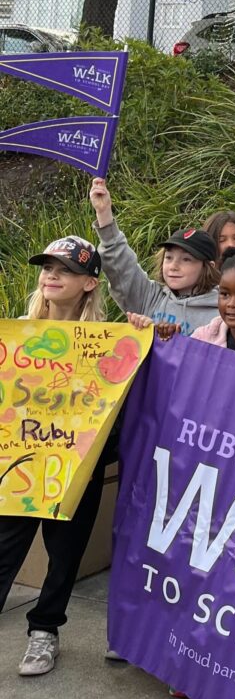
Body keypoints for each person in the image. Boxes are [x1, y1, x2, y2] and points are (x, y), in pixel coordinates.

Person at [0, 237, 110, 676]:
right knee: (4, 548)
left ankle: (44, 631)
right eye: (47, 267)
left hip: (76, 468)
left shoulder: (107, 341)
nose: (51, 275)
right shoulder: (15, 336)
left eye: (63, 269)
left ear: (88, 282)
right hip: (21, 463)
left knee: (65, 555)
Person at [89, 177, 220, 335]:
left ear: (208, 267)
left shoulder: (221, 311)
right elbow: (121, 265)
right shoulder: (150, 296)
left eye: (186, 259)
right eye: (169, 257)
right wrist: (104, 213)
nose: (173, 266)